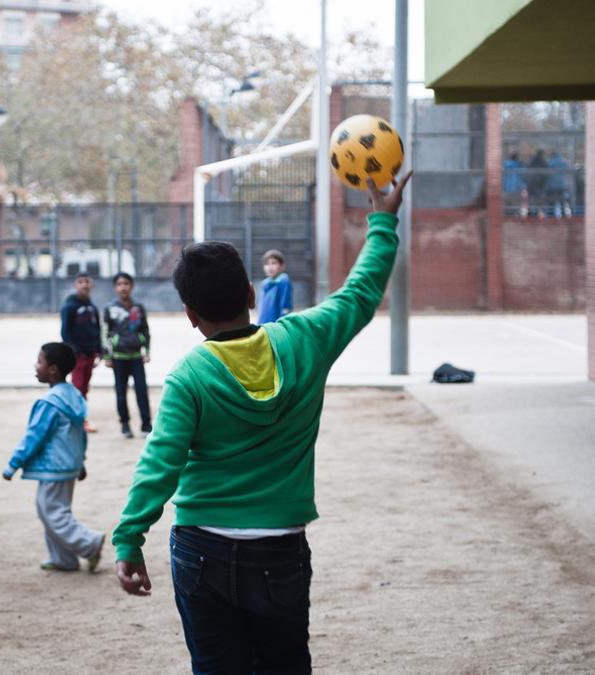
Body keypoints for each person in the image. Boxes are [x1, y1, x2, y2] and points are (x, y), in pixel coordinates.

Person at [113, 172, 413, 672]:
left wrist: (129, 536)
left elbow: (161, 461)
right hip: (280, 550)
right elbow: (360, 294)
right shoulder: (304, 340)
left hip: (200, 548)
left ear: (189, 314)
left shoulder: (190, 374)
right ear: (251, 294)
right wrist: (382, 220)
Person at [2, 341, 105, 572]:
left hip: (54, 467)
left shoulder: (49, 403)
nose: (35, 365)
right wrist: (81, 461)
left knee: (52, 513)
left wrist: (13, 464)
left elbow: (34, 436)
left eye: (39, 361)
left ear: (53, 369)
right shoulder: (75, 397)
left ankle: (90, 544)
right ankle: (63, 559)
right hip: (67, 466)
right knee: (55, 511)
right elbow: (80, 435)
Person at [103, 272, 152, 439]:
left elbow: (145, 330)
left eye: (126, 283)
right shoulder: (110, 308)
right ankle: (125, 424)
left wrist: (147, 351)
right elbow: (105, 333)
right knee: (121, 392)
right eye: (119, 284)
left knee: (141, 392)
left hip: (137, 358)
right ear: (115, 288)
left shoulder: (138, 308)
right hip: (118, 358)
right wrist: (107, 356)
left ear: (132, 286)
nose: (123, 287)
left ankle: (146, 425)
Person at [60, 272, 102, 433]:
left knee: (84, 388)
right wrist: (75, 351)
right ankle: (76, 420)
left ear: (91, 284)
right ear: (75, 285)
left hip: (91, 354)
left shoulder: (92, 307)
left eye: (87, 281)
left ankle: (80, 417)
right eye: (81, 281)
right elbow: (65, 332)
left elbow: (97, 329)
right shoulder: (69, 307)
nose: (84, 284)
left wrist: (99, 350)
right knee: (77, 387)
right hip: (78, 356)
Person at [257, 249, 293, 324]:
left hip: (276, 326)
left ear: (282, 266)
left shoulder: (284, 281)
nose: (270, 267)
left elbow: (285, 306)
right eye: (267, 264)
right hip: (264, 323)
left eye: (274, 263)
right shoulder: (265, 283)